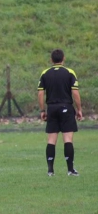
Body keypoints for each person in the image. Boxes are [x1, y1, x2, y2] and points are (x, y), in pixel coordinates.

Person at [37, 49, 82, 177]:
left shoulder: (45, 73)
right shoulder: (69, 72)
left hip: (51, 108)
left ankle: (50, 171)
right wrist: (79, 109)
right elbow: (75, 93)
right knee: (68, 139)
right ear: (63, 59)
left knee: (51, 140)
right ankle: (70, 170)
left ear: (51, 60)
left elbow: (40, 93)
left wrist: (42, 110)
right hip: (66, 107)